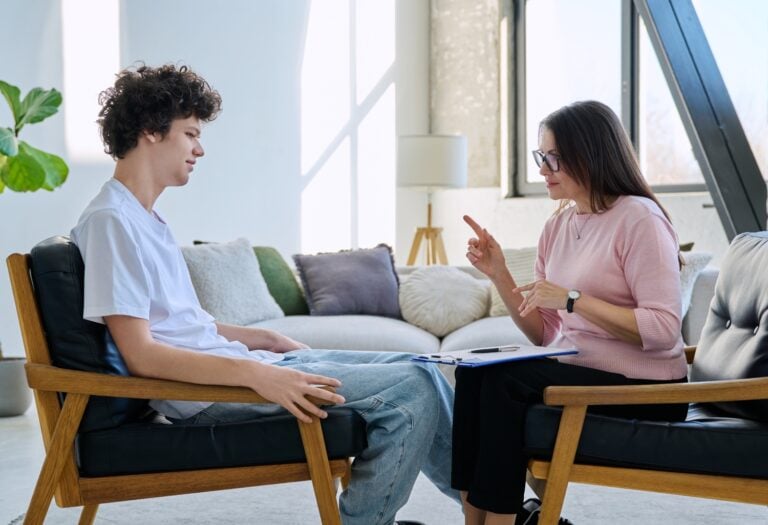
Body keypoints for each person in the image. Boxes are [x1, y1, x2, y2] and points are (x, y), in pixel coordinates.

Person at [70, 63, 456, 525]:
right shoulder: (111, 222)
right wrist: (257, 374)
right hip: (206, 393)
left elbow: (181, 326)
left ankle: (492, 511)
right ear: (152, 130)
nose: (200, 148)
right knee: (410, 391)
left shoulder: (145, 218)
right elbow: (143, 356)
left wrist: (265, 342)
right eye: (191, 133)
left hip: (233, 369)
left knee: (422, 368)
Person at [453, 100, 689, 525]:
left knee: (504, 381)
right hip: (579, 371)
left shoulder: (640, 219)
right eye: (540, 157)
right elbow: (544, 335)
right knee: (474, 371)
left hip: (647, 388)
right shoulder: (557, 226)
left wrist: (573, 299)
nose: (543, 168)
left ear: (591, 153)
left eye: (553, 158)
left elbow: (664, 330)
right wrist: (499, 273)